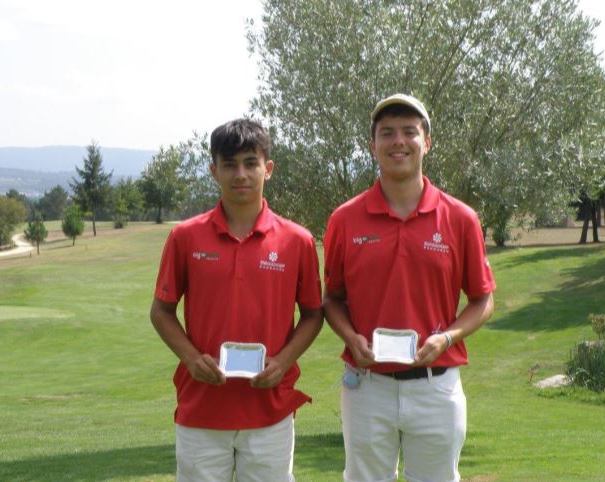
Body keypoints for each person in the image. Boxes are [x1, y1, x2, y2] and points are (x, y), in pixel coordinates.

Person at [323, 93, 496, 482]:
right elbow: (332, 298)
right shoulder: (345, 219)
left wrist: (448, 338)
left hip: (436, 386)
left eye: (409, 132)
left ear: (427, 142)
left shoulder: (460, 218)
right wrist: (350, 337)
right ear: (372, 146)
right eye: (387, 133)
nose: (398, 141)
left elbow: (482, 299)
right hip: (367, 386)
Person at [150, 118, 323, 482]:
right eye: (229, 164)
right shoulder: (186, 237)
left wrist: (283, 361)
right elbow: (161, 312)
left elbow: (312, 315)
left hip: (270, 410)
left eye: (250, 162)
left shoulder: (297, 240)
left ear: (268, 169)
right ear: (214, 171)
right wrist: (192, 358)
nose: (240, 174)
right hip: (202, 408)